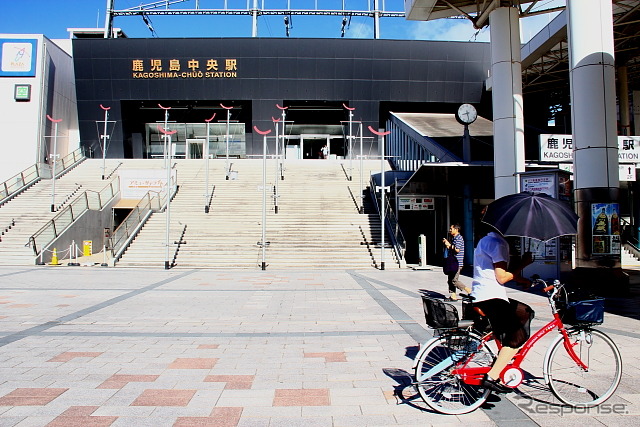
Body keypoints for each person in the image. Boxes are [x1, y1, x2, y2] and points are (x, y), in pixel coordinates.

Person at [471, 227, 532, 393]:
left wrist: (522, 280)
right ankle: (492, 376)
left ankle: (503, 348)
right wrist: (523, 263)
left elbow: (494, 273)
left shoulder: (485, 240)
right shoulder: (499, 243)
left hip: (482, 294)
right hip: (491, 298)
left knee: (525, 312)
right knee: (518, 337)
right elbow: (502, 277)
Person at [442, 224, 471, 300]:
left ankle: (469, 290)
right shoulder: (454, 238)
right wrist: (447, 244)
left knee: (454, 280)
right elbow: (452, 249)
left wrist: (449, 245)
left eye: (451, 228)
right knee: (450, 279)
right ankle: (453, 295)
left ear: (456, 229)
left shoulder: (459, 238)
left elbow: (457, 249)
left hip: (457, 263)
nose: (450, 230)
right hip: (452, 262)